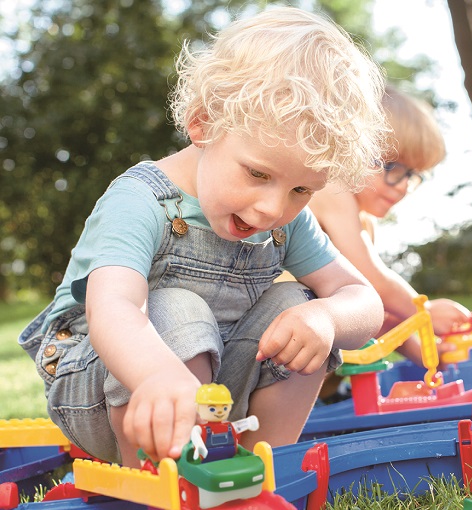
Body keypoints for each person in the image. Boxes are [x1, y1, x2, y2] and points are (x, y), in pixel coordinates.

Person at [18, 7, 387, 467]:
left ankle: (263, 468)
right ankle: (159, 478)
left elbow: (364, 299)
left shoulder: (284, 221)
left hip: (216, 391)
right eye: (257, 173)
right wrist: (155, 374)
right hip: (109, 383)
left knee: (299, 306)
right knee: (176, 305)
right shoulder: (141, 200)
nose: (273, 208)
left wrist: (328, 318)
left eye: (300, 190)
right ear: (204, 124)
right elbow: (113, 305)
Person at [309, 85, 472, 398]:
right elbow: (374, 282)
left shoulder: (363, 224)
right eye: (392, 167)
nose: (403, 187)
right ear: (350, 147)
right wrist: (423, 313)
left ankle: (328, 395)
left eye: (413, 174)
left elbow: (379, 312)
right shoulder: (330, 189)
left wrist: (431, 354)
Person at [190, 383, 259, 462]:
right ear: (198, 408)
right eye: (212, 409)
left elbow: (240, 426)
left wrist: (249, 423)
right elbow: (195, 434)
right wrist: (199, 445)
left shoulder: (230, 426)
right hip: (207, 463)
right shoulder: (200, 429)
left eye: (225, 408)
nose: (219, 412)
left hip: (230, 460)